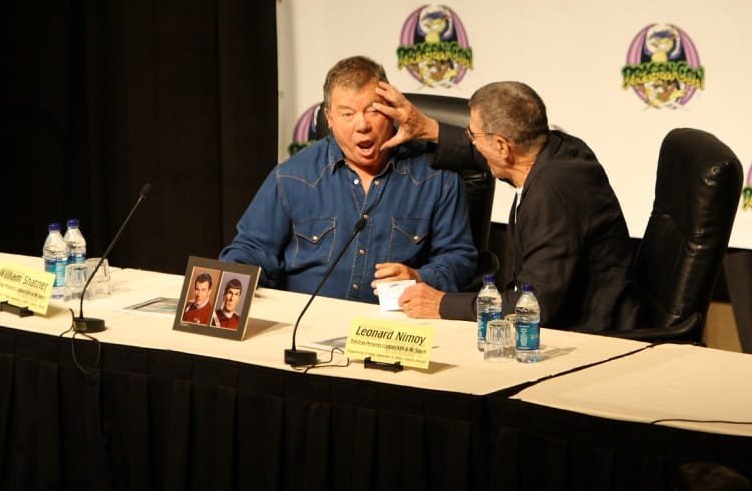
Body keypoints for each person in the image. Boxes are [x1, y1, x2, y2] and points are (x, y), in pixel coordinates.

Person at [373, 80, 637, 332]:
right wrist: (429, 128)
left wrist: (442, 303)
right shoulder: (561, 149)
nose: (472, 141)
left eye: (472, 134)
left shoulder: (550, 199)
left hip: (589, 337)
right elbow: (491, 155)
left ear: (501, 146)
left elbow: (534, 306)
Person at [219, 56, 477, 302]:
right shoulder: (292, 177)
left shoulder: (436, 176)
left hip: (394, 332)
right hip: (306, 326)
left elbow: (459, 258)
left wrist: (420, 277)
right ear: (329, 118)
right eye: (347, 114)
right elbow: (250, 251)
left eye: (372, 111)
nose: (362, 125)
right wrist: (230, 283)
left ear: (392, 111)